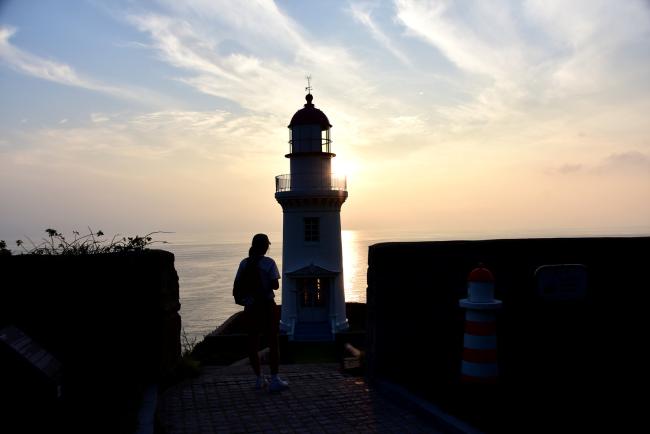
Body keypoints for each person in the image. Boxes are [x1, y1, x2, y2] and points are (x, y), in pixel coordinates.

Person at [233, 233, 288, 392]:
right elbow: (275, 285)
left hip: (250, 307)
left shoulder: (244, 263)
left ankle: (258, 378)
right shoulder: (269, 263)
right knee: (273, 342)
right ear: (265, 246)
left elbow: (237, 284)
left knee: (252, 343)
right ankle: (274, 379)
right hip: (266, 306)